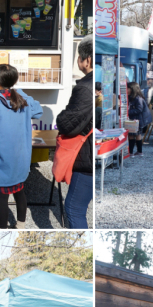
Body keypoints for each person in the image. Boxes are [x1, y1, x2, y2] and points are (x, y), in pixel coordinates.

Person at [0, 64, 43, 229]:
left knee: (2, 197)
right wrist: (19, 92)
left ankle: (3, 228)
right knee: (20, 191)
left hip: (0, 158)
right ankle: (20, 225)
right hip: (19, 157)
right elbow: (38, 110)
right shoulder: (20, 98)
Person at [56, 35, 93, 229]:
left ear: (87, 60)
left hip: (86, 159)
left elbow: (67, 123)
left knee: (73, 208)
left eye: (79, 57)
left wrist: (60, 116)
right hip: (93, 153)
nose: (78, 61)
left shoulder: (85, 88)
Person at [127, 82, 152, 157]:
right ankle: (139, 152)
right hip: (138, 120)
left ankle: (131, 152)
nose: (126, 90)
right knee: (138, 135)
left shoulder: (137, 98)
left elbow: (139, 109)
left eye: (128, 88)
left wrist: (128, 112)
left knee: (132, 135)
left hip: (137, 120)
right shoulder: (136, 97)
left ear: (133, 89)